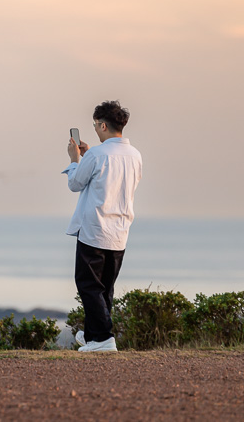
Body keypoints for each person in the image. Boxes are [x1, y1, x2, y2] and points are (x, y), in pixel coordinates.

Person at [63, 100, 143, 352]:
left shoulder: (97, 154)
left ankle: (103, 339)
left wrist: (75, 159)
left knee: (89, 285)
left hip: (94, 228)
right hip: (120, 230)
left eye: (96, 125)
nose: (96, 130)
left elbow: (75, 184)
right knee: (105, 287)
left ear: (103, 124)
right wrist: (88, 156)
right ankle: (94, 337)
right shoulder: (135, 155)